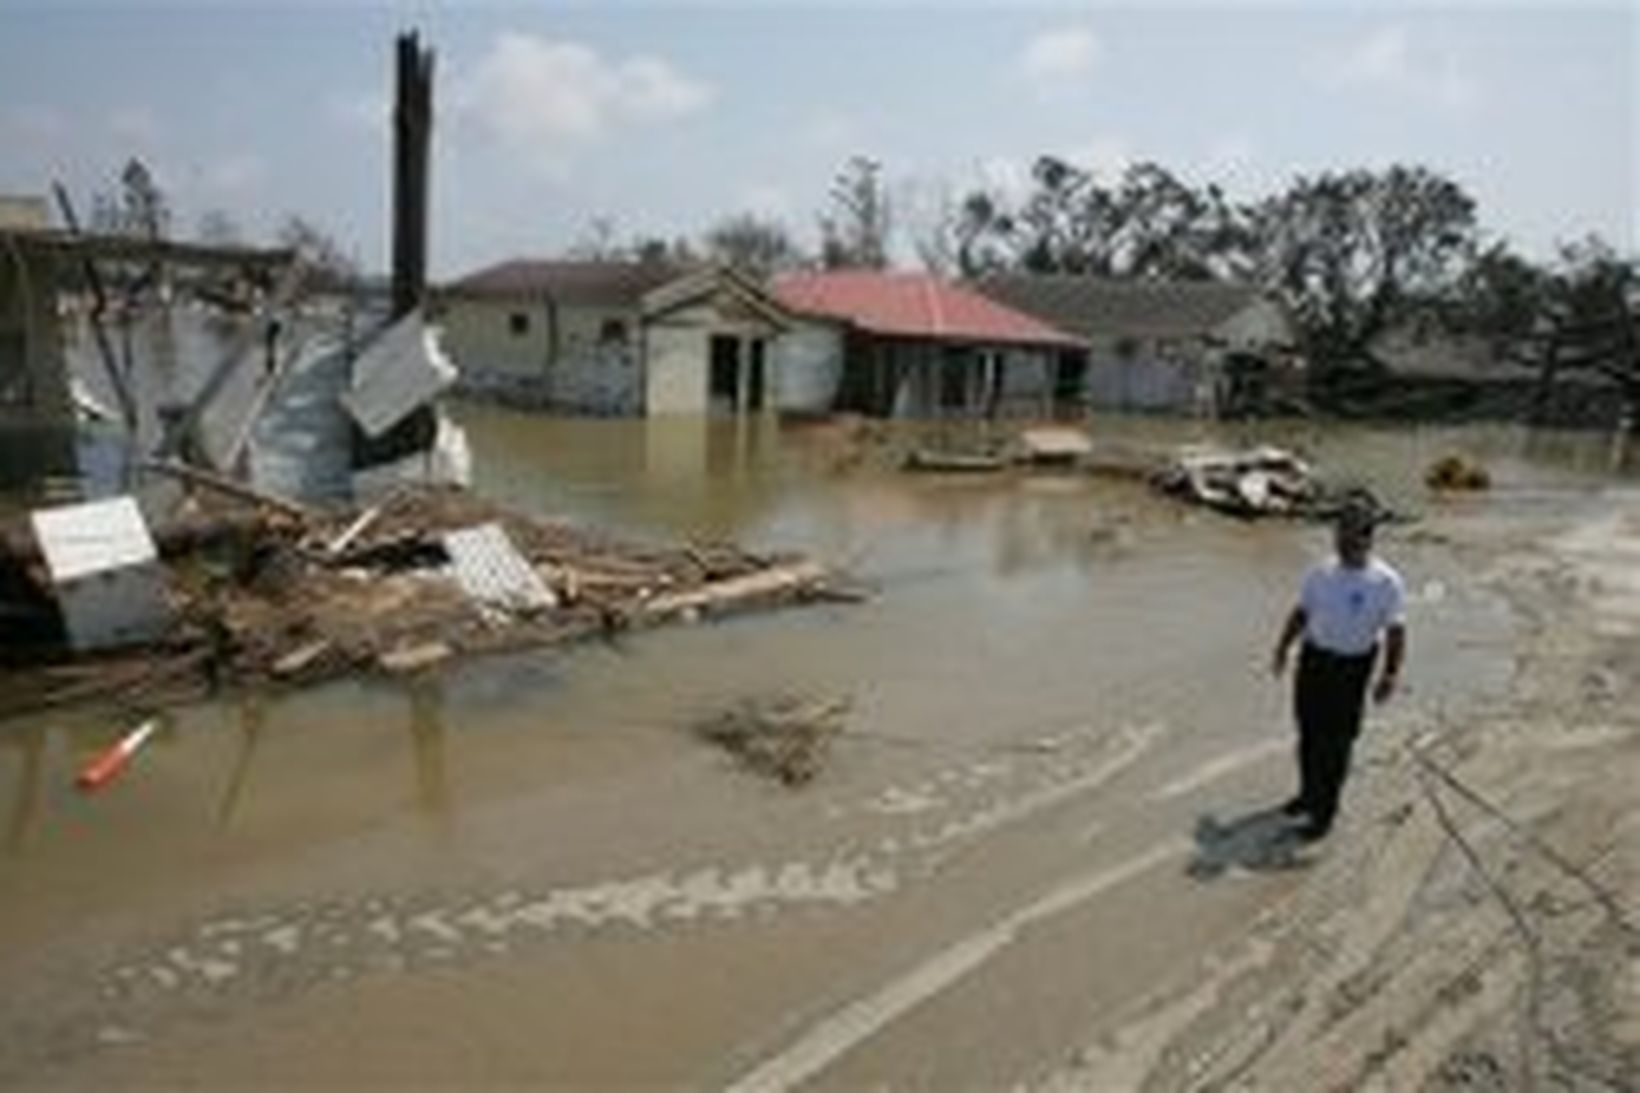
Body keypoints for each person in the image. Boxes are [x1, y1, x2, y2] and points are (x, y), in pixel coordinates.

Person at [1270, 500, 1407, 842]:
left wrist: (1389, 675)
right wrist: (1283, 648)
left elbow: (1396, 631)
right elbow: (1301, 612)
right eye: (1339, 535)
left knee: (1338, 742)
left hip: (1353, 668)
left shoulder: (1386, 581)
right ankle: (1307, 795)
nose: (1343, 543)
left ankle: (1325, 812)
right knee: (1308, 735)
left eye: (1351, 536)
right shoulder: (1321, 572)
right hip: (1314, 662)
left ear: (1367, 539)